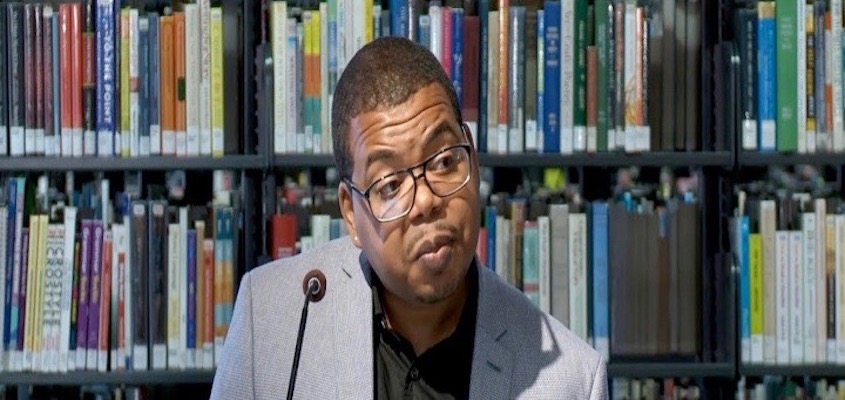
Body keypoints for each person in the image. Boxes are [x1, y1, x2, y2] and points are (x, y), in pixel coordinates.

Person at [210, 36, 607, 399]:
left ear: (472, 157)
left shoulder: (570, 380)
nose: (426, 201)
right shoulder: (269, 322)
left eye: (444, 161)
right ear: (351, 213)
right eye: (390, 185)